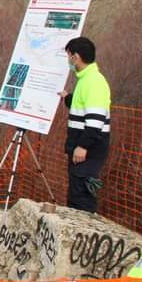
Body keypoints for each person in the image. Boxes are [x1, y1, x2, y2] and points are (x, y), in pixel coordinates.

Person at [58, 37, 111, 212]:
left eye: (69, 55)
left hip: (88, 149)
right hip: (81, 147)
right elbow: (82, 105)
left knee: (81, 195)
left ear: (76, 57)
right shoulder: (85, 80)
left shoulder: (94, 82)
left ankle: (81, 233)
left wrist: (82, 146)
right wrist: (67, 97)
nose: (68, 60)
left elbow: (95, 121)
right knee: (75, 191)